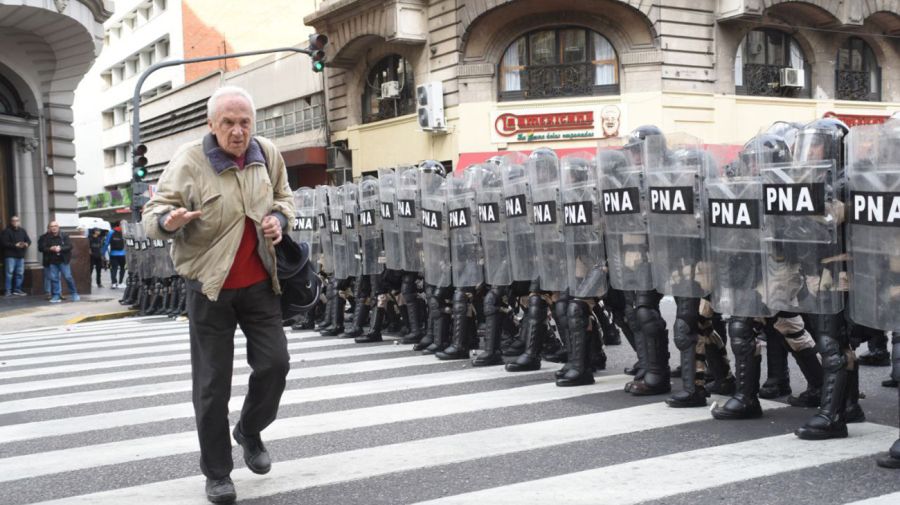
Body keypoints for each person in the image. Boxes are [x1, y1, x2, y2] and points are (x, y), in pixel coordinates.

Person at [141, 85, 294, 504]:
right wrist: (170, 221)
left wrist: (279, 218)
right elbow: (152, 216)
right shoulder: (189, 160)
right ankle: (218, 473)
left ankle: (248, 429)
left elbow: (284, 197)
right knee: (212, 386)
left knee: (276, 365)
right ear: (212, 124)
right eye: (228, 122)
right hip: (209, 288)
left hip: (261, 283)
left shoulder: (268, 154)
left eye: (245, 122)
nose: (238, 131)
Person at [39, 221, 79, 303]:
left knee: (68, 277)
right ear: (49, 228)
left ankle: (74, 293)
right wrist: (50, 248)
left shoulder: (64, 235)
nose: (54, 227)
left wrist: (60, 248)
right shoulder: (46, 237)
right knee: (54, 279)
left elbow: (69, 246)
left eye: (55, 226)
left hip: (63, 261)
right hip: (52, 261)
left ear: (58, 227)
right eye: (52, 226)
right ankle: (56, 295)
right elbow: (42, 248)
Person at [1, 215, 31, 296]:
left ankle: (17, 289)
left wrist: (26, 244)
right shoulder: (6, 231)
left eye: (17, 220)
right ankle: (8, 290)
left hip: (20, 256)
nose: (15, 222)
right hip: (10, 256)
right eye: (13, 221)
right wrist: (15, 245)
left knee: (20, 273)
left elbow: (28, 240)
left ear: (19, 222)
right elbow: (3, 243)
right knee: (9, 273)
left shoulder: (22, 231)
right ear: (11, 222)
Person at [104, 220, 127, 288]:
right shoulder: (125, 232)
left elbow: (106, 243)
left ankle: (114, 283)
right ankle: (120, 283)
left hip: (113, 254)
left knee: (114, 268)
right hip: (123, 254)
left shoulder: (111, 232)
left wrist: (102, 253)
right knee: (123, 268)